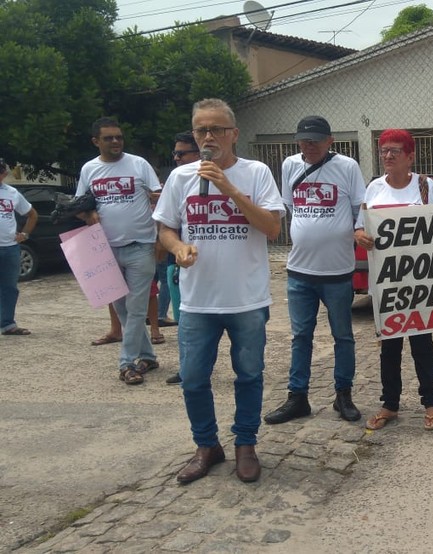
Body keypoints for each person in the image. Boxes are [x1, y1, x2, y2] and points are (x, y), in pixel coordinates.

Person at [154, 98, 285, 484]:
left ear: (234, 134)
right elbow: (165, 228)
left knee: (249, 375)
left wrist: (227, 187)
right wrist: (178, 248)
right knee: (193, 379)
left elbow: (272, 228)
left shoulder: (257, 173)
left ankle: (246, 444)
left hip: (246, 298)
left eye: (216, 129)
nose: (209, 137)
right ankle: (207, 446)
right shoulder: (181, 178)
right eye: (201, 130)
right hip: (197, 300)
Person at [264, 116, 365, 425]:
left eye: (315, 141)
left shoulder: (347, 167)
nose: (308, 146)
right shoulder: (290, 165)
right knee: (301, 337)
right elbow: (291, 207)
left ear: (330, 141)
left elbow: (360, 209)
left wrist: (358, 230)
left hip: (337, 271)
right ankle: (298, 397)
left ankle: (343, 394)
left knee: (343, 336)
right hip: (299, 271)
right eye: (304, 140)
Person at [355, 129, 433, 431]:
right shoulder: (374, 188)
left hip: (418, 279)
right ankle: (389, 403)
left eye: (394, 150)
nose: (388, 156)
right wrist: (361, 237)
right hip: (386, 281)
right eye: (383, 151)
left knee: (422, 342)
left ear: (410, 156)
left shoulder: (424, 186)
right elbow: (359, 227)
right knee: (389, 345)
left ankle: (430, 403)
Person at [77, 118, 161, 384]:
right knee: (122, 308)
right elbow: (80, 204)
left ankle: (127, 364)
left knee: (136, 308)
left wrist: (160, 237)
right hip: (105, 248)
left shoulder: (139, 164)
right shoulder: (89, 169)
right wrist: (88, 215)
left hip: (141, 245)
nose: (115, 142)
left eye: (119, 137)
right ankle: (147, 356)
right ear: (96, 141)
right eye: (109, 138)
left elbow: (159, 198)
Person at [163, 132, 201, 385]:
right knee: (182, 316)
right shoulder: (176, 180)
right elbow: (166, 225)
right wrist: (176, 247)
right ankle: (187, 366)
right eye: (174, 154)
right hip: (179, 263)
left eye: (182, 153)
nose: (177, 158)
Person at [0, 159, 38, 336]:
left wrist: (24, 234)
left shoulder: (12, 193)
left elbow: (31, 214)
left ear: (4, 174)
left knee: (9, 287)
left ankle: (8, 324)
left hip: (10, 248)